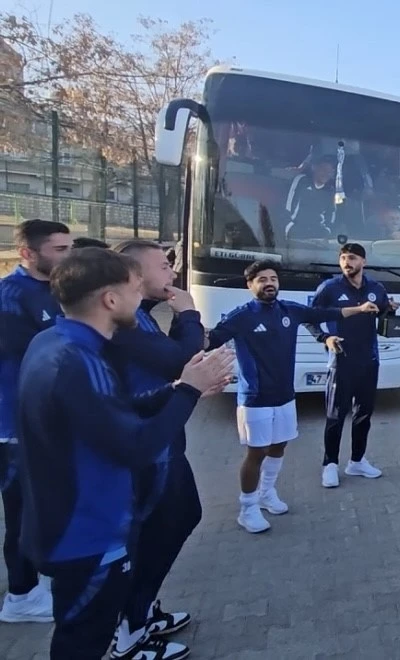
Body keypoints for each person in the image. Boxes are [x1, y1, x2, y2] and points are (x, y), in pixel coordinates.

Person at [17, 247, 234, 660]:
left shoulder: (56, 342)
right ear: (110, 299)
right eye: (136, 290)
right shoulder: (77, 361)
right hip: (87, 533)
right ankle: (131, 634)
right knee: (83, 643)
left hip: (73, 524)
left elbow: (109, 412)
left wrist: (177, 391)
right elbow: (137, 446)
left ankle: (137, 622)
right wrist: (188, 391)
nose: (143, 300)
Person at [206, 260, 379, 533]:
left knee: (279, 446)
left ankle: (267, 493)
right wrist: (186, 319)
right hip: (255, 398)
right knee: (256, 453)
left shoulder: (289, 310)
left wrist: (359, 308)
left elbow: (324, 313)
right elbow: (209, 341)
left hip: (285, 396)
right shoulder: (241, 316)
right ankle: (247, 508)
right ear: (250, 285)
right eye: (262, 279)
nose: (269, 283)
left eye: (273, 278)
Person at [107, 240, 208, 658]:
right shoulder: (123, 322)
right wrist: (188, 313)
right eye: (163, 266)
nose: (172, 272)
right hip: (148, 445)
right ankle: (128, 630)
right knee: (160, 527)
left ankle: (141, 609)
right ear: (133, 274)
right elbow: (181, 359)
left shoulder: (139, 312)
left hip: (161, 436)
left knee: (180, 517)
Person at [0, 219, 70, 626]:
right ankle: (21, 596)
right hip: (15, 428)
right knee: (24, 513)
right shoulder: (10, 297)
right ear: (28, 253)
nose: (69, 256)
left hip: (46, 424)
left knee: (44, 508)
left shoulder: (52, 289)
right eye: (60, 249)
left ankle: (40, 577)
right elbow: (36, 356)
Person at [304, 243, 394, 488]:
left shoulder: (376, 288)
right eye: (343, 258)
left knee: (364, 414)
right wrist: (325, 338)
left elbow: (381, 312)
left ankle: (357, 461)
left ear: (363, 262)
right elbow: (309, 318)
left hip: (369, 360)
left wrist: (388, 309)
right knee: (336, 415)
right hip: (341, 360)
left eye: (352, 258)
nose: (346, 262)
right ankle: (330, 464)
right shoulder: (329, 288)